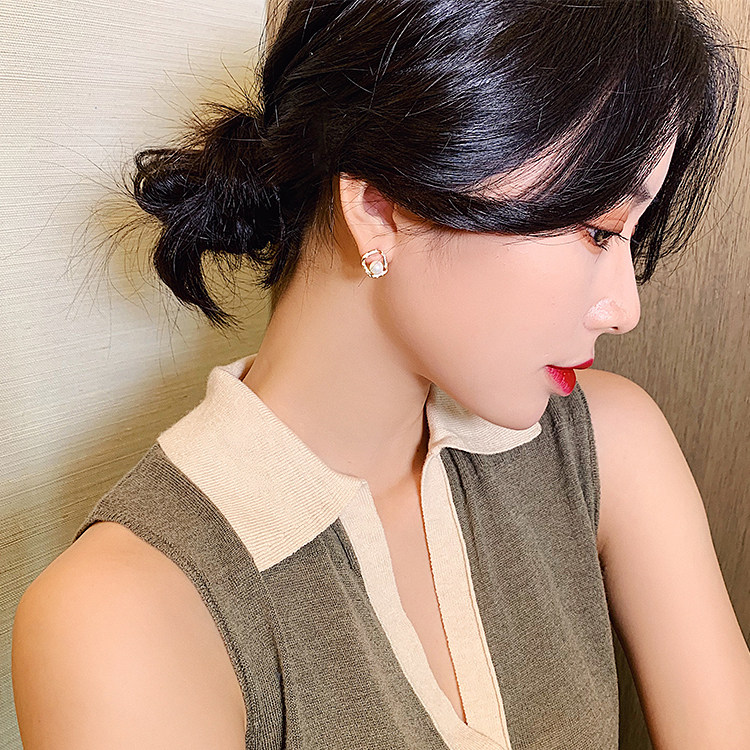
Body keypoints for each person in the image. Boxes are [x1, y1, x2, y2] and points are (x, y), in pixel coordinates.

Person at [12, 0, 750, 748]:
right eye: (596, 231)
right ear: (378, 207)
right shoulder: (126, 616)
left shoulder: (609, 445)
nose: (624, 309)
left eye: (628, 234)